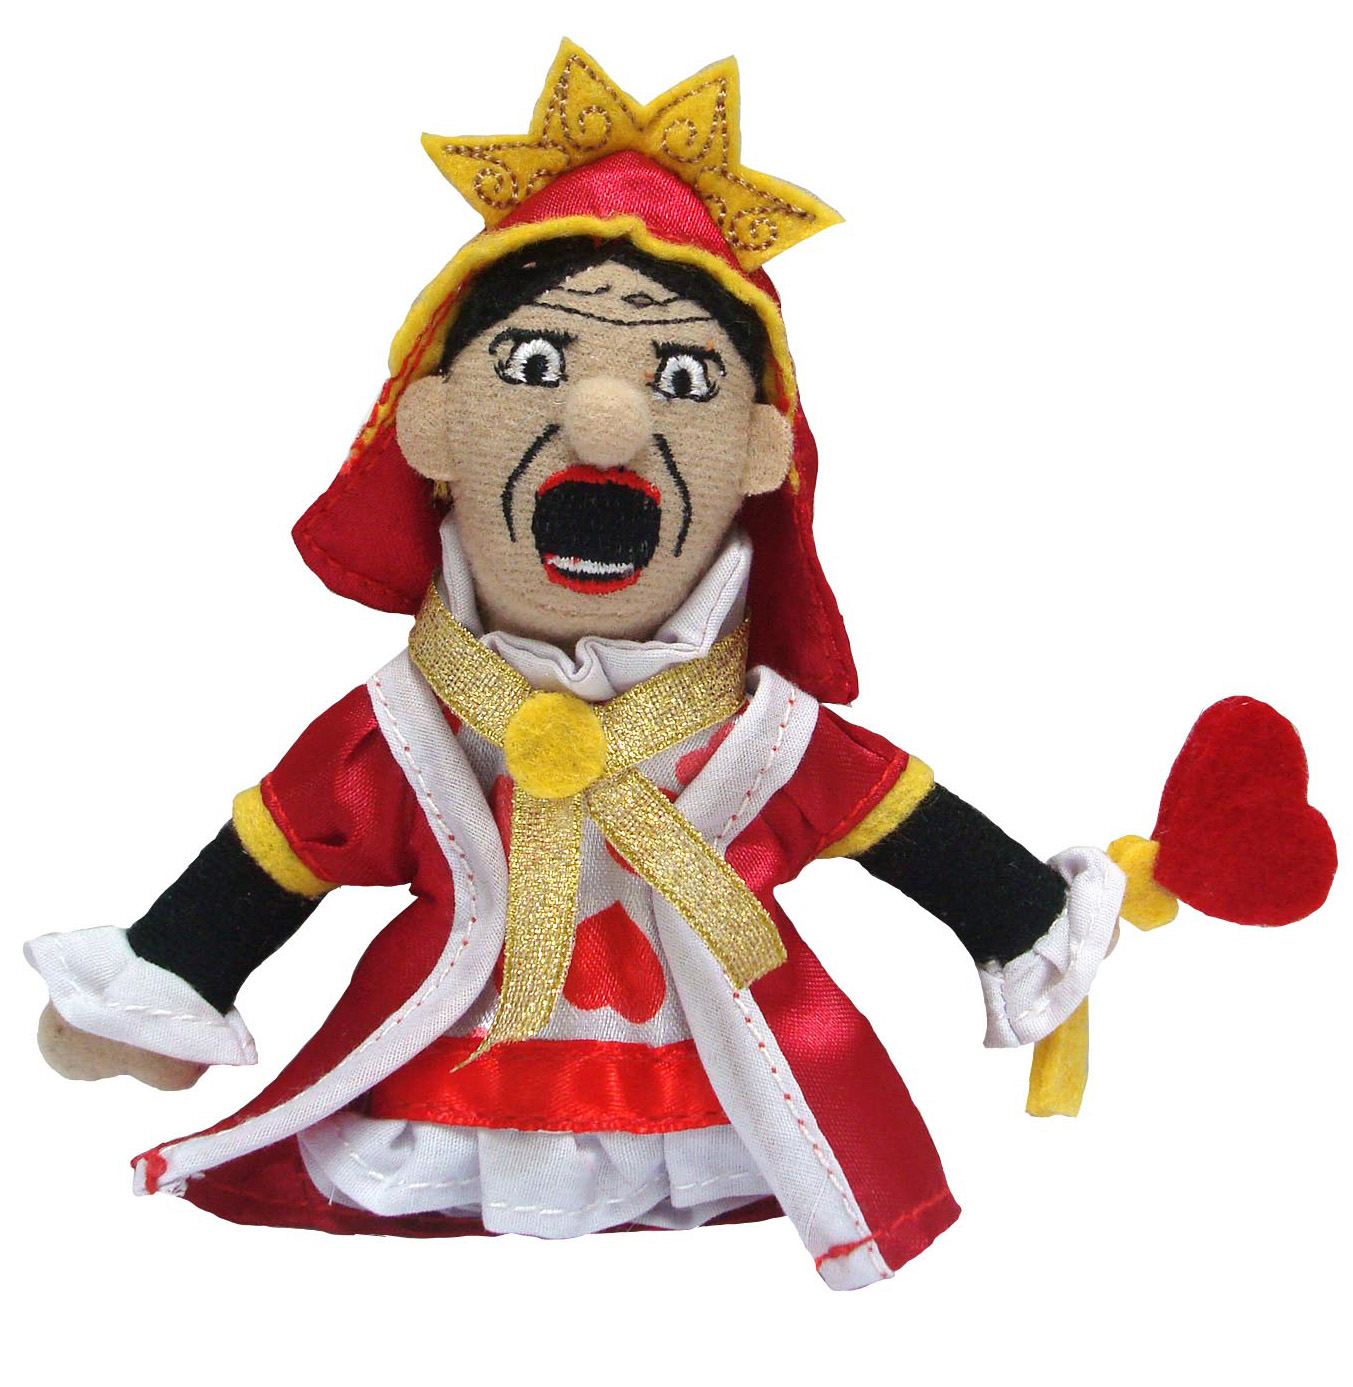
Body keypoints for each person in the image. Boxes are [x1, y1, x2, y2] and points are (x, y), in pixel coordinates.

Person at [24, 44, 1124, 1290]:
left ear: (758, 451)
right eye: (537, 365)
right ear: (436, 426)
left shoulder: (761, 736)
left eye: (683, 378)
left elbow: (905, 821)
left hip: (718, 1094)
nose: (608, 421)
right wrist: (170, 976)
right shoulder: (410, 725)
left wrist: (1034, 923)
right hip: (451, 1075)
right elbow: (285, 845)